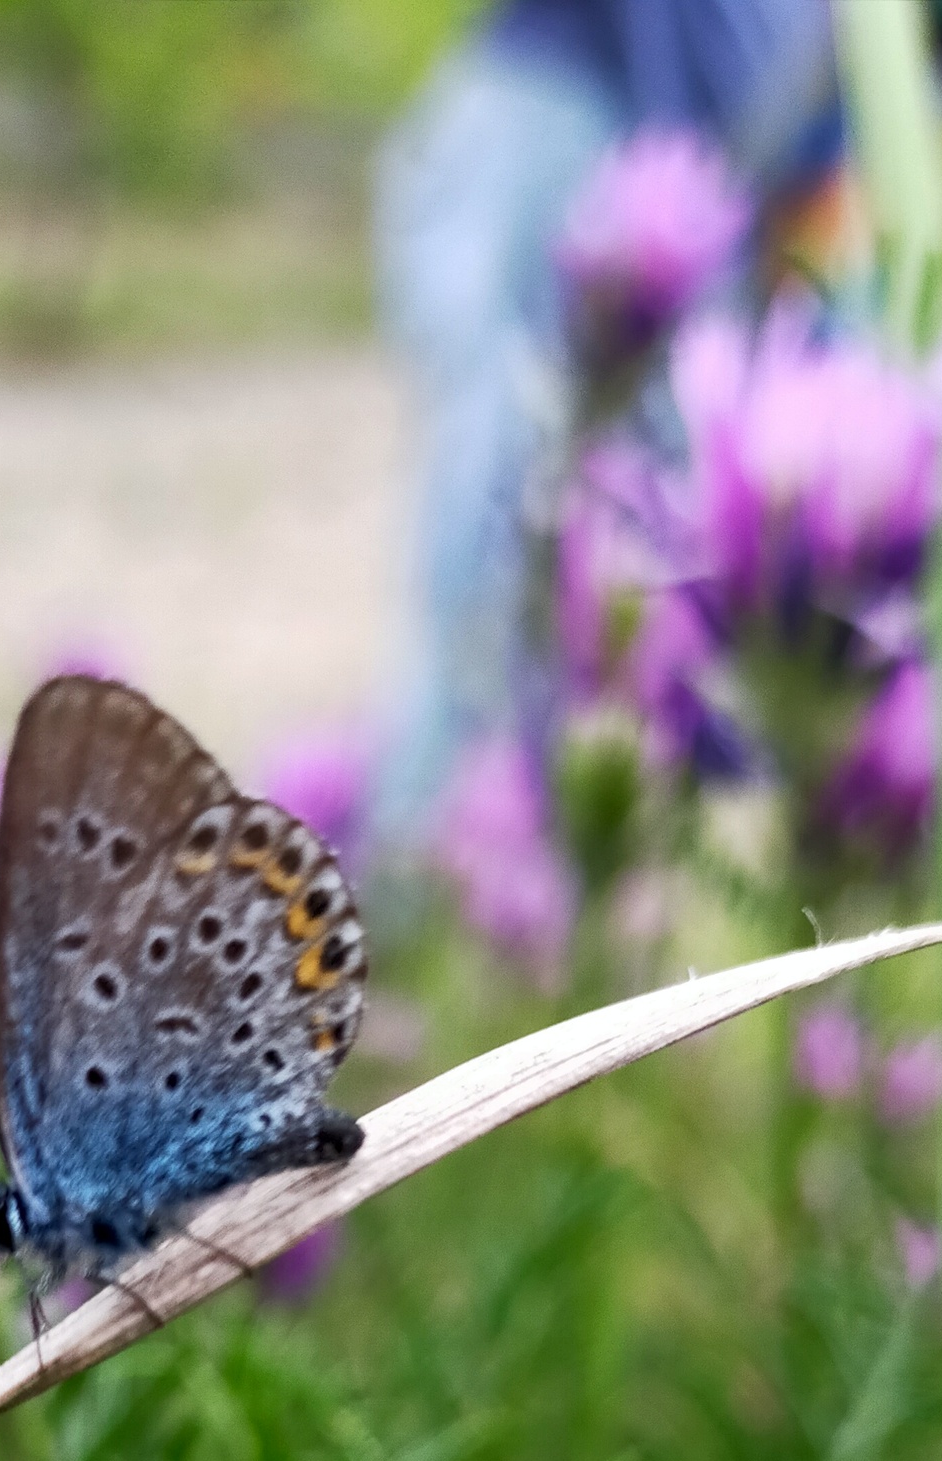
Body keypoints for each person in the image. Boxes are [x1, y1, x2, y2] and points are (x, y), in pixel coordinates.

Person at [369, 0, 846, 854]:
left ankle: (569, 888)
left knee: (653, 571)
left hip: (715, 199)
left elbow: (814, 176)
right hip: (558, 120)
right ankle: (417, 873)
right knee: (500, 529)